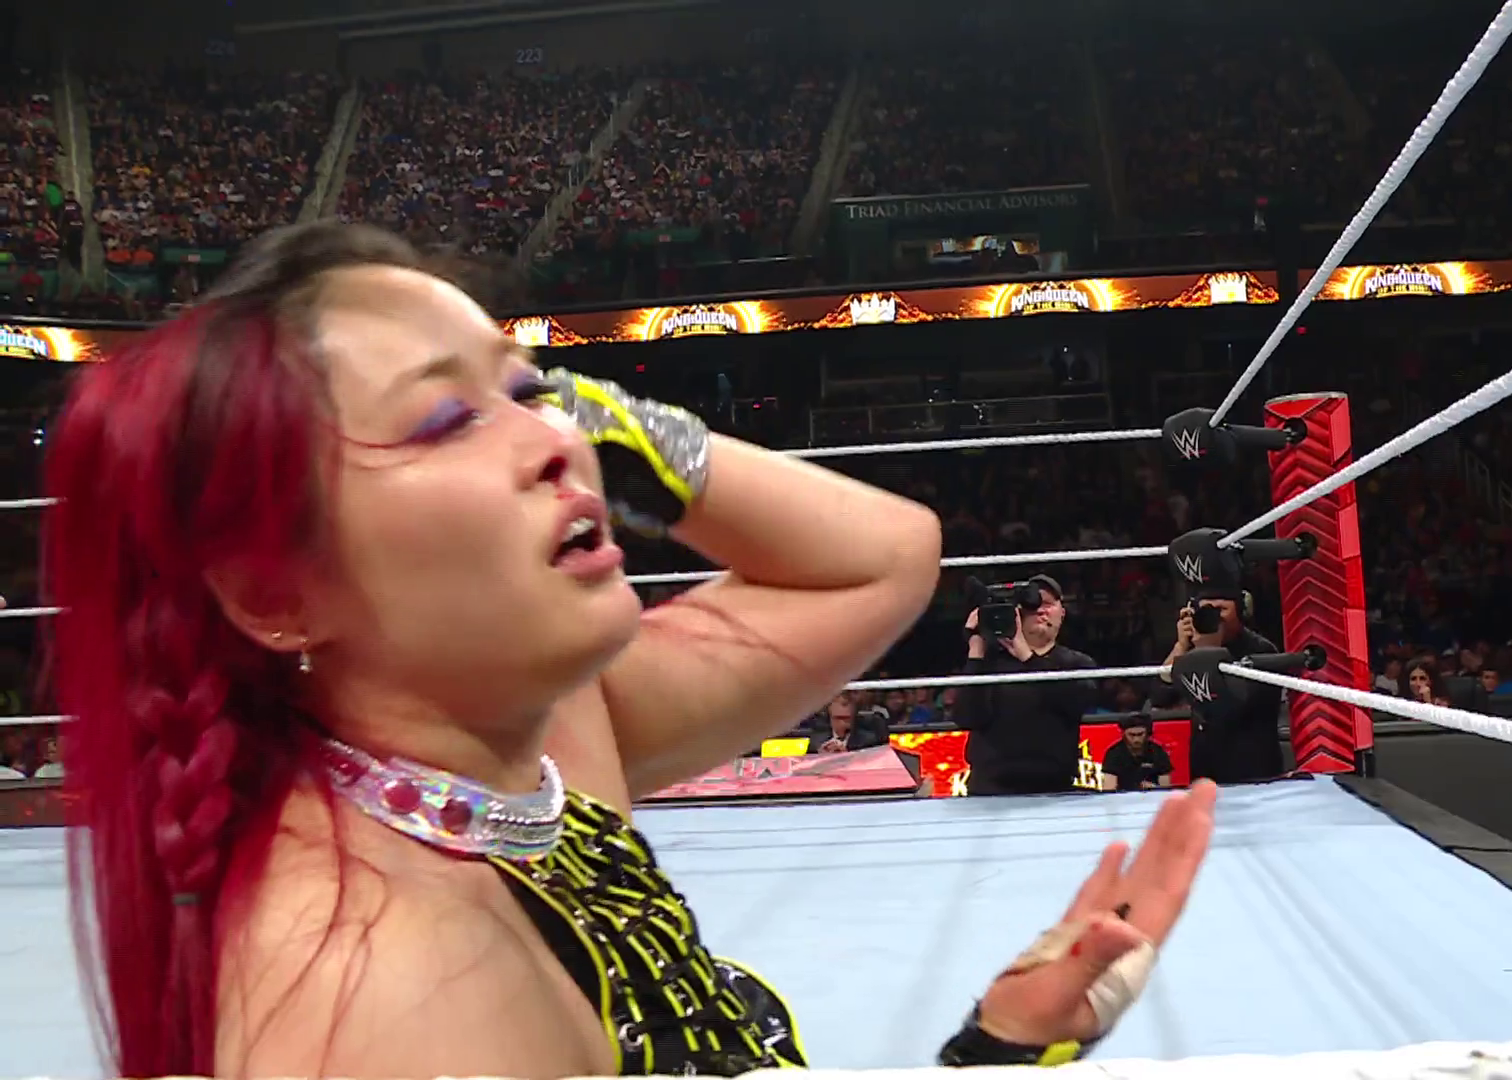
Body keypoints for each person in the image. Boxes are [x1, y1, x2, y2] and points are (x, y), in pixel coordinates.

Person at [47, 223, 1218, 1078]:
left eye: (535, 390)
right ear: (274, 591)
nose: (560, 440)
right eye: (445, 419)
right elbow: (882, 562)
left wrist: (1004, 1044)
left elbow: (887, 557)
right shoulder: (383, 997)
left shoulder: (536, 738)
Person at [955, 574, 1099, 795]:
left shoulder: (1077, 663)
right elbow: (967, 718)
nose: (1041, 611)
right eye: (1033, 605)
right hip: (991, 789)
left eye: (1048, 604)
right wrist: (975, 651)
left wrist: (1027, 657)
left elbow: (1077, 703)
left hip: (1054, 787)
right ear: (1017, 613)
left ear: (1062, 613)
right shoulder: (990, 662)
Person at [1154, 588, 1290, 783]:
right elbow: (1160, 697)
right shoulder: (1191, 649)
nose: (1215, 617)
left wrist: (1209, 650)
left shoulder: (1261, 650)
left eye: (1222, 609)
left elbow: (1230, 708)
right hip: (1205, 766)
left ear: (1240, 613)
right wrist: (1181, 647)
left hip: (1253, 767)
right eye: (1207, 610)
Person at [1100, 715, 1173, 792]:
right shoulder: (1113, 754)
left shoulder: (1158, 752)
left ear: (1148, 733)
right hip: (1123, 797)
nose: (1136, 739)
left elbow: (1165, 789)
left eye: (1140, 734)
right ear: (1123, 734)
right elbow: (1109, 789)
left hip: (1152, 796)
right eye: (1131, 735)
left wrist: (1154, 788)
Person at [810, 691, 888, 753]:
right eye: (838, 718)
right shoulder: (816, 741)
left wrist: (846, 755)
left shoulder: (869, 741)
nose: (842, 723)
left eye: (846, 719)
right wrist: (820, 757)